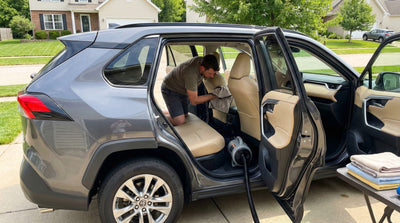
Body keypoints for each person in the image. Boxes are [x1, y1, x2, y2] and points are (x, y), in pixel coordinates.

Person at [162, 54, 220, 126]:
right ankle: (156, 117)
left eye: (213, 73)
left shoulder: (204, 61)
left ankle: (171, 112)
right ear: (202, 68)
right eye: (210, 73)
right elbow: (194, 101)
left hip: (182, 88)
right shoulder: (191, 74)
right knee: (180, 121)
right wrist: (213, 95)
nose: (212, 76)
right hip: (171, 89)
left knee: (185, 115)